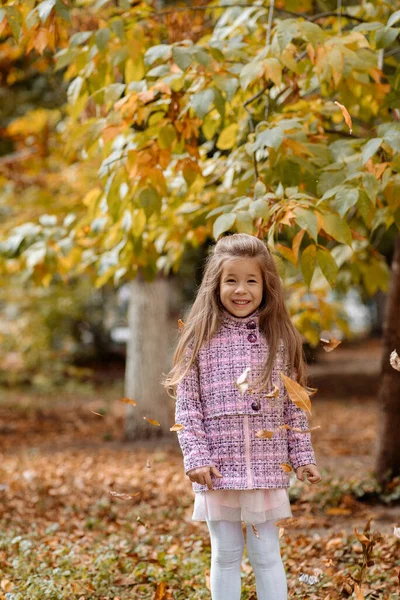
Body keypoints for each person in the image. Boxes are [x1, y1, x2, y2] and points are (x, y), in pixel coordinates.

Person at [163, 233, 321, 600]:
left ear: (267, 286)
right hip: (219, 467)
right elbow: (187, 407)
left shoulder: (280, 340)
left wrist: (302, 457)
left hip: (266, 468)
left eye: (251, 280)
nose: (241, 290)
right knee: (226, 555)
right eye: (231, 280)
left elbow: (294, 406)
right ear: (215, 284)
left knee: (267, 556)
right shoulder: (199, 340)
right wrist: (197, 457)